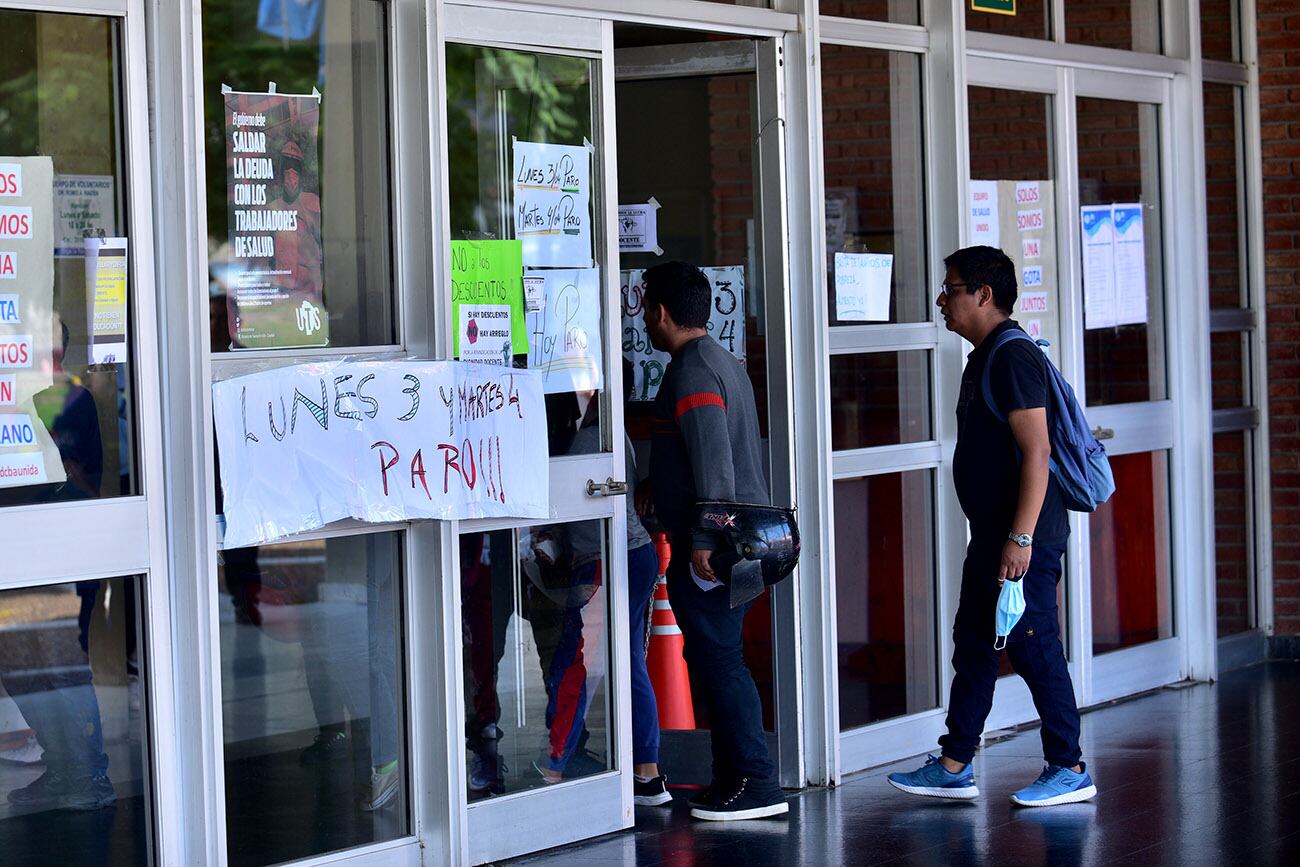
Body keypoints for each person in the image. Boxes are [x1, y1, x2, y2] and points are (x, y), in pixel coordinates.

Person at [887, 245, 1097, 808]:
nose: (940, 300)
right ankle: (954, 764)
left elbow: (1037, 451)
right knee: (976, 644)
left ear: (983, 295)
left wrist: (1020, 539)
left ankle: (1069, 765)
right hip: (995, 535)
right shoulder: (985, 355)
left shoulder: (1011, 357)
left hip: (1022, 538)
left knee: (1033, 645)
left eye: (951, 289)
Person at [637, 261, 786, 821]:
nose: (646, 318)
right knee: (718, 656)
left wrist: (702, 539)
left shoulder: (693, 372)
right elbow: (702, 449)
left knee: (721, 661)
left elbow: (717, 464)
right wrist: (661, 483)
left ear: (663, 312)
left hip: (719, 546)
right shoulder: (718, 361)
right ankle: (733, 779)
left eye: (647, 307)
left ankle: (754, 782)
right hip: (740, 540)